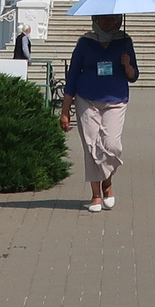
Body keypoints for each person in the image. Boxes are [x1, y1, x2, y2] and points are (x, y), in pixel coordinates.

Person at [59, 13, 138, 212]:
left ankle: (107, 182)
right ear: (96, 20)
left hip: (115, 100)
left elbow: (133, 76)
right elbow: (73, 76)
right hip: (86, 99)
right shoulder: (85, 42)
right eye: (104, 18)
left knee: (111, 145)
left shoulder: (124, 41)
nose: (109, 22)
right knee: (91, 145)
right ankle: (96, 195)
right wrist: (65, 110)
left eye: (113, 18)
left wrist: (127, 65)